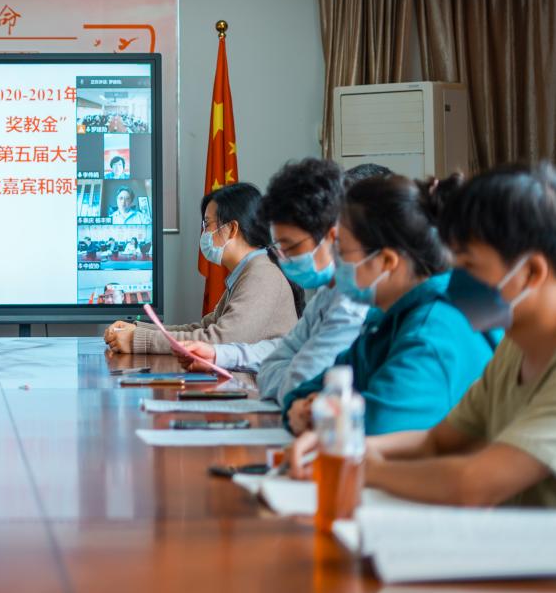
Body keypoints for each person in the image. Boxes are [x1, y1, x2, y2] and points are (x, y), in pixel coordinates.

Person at [290, 163, 556, 506]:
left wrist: (358, 465)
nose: (454, 280)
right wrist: (347, 445)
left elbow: (472, 484)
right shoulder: (514, 349)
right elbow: (436, 441)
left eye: (469, 266)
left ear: (531, 272)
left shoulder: (439, 330)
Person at [281, 174, 497, 436]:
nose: (335, 263)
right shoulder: (384, 322)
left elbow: (377, 429)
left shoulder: (432, 331)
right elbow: (303, 392)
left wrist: (317, 413)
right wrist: (308, 408)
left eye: (343, 253)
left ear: (386, 261)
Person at [174, 160, 385, 403]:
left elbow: (299, 384)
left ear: (332, 235)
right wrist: (219, 356)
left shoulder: (352, 303)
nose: (282, 258)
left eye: (290, 246)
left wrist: (287, 383)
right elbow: (281, 356)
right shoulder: (329, 294)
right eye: (280, 246)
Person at [104, 182, 300, 354]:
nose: (204, 233)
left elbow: (218, 341)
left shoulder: (261, 276)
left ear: (232, 229)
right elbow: (203, 328)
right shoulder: (249, 271)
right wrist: (136, 330)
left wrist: (136, 340)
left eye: (207, 224)